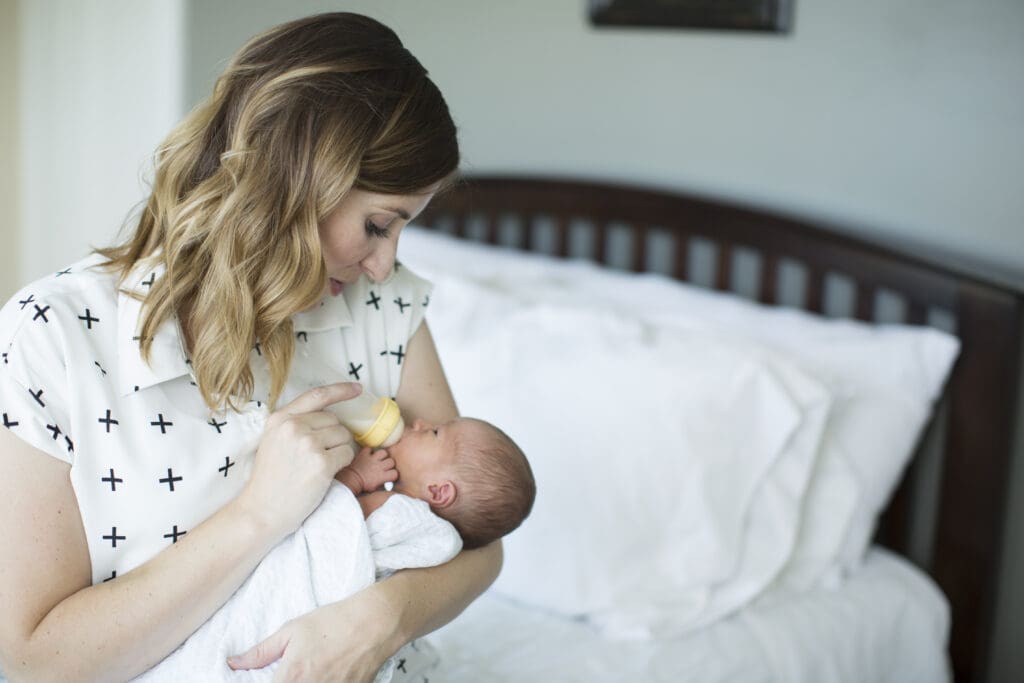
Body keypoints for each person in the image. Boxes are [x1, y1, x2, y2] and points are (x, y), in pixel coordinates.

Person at [0, 12, 502, 683]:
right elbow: (36, 661)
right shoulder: (56, 337)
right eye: (379, 224)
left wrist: (379, 620)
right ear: (299, 182)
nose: (384, 264)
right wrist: (260, 512)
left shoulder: (382, 307)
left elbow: (481, 540)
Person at [336, 416, 536, 550]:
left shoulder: (397, 511)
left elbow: (331, 518)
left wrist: (356, 476)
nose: (420, 423)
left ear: (438, 492)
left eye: (434, 433)